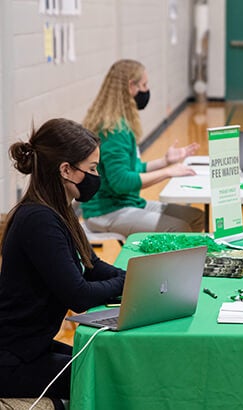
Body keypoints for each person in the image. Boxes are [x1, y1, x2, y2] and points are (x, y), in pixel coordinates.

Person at [0, 118, 126, 404]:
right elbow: (79, 295)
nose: (97, 176)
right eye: (92, 169)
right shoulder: (39, 220)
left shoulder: (58, 211)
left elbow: (91, 266)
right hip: (14, 360)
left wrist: (133, 278)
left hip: (32, 348)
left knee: (110, 362)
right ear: (66, 170)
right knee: (110, 377)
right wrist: (124, 281)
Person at [81, 59, 204, 236]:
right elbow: (121, 182)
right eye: (144, 85)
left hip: (129, 202)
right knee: (179, 229)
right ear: (131, 87)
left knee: (195, 217)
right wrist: (167, 172)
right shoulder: (114, 130)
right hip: (107, 211)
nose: (147, 90)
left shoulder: (121, 124)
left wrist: (165, 161)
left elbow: (132, 170)